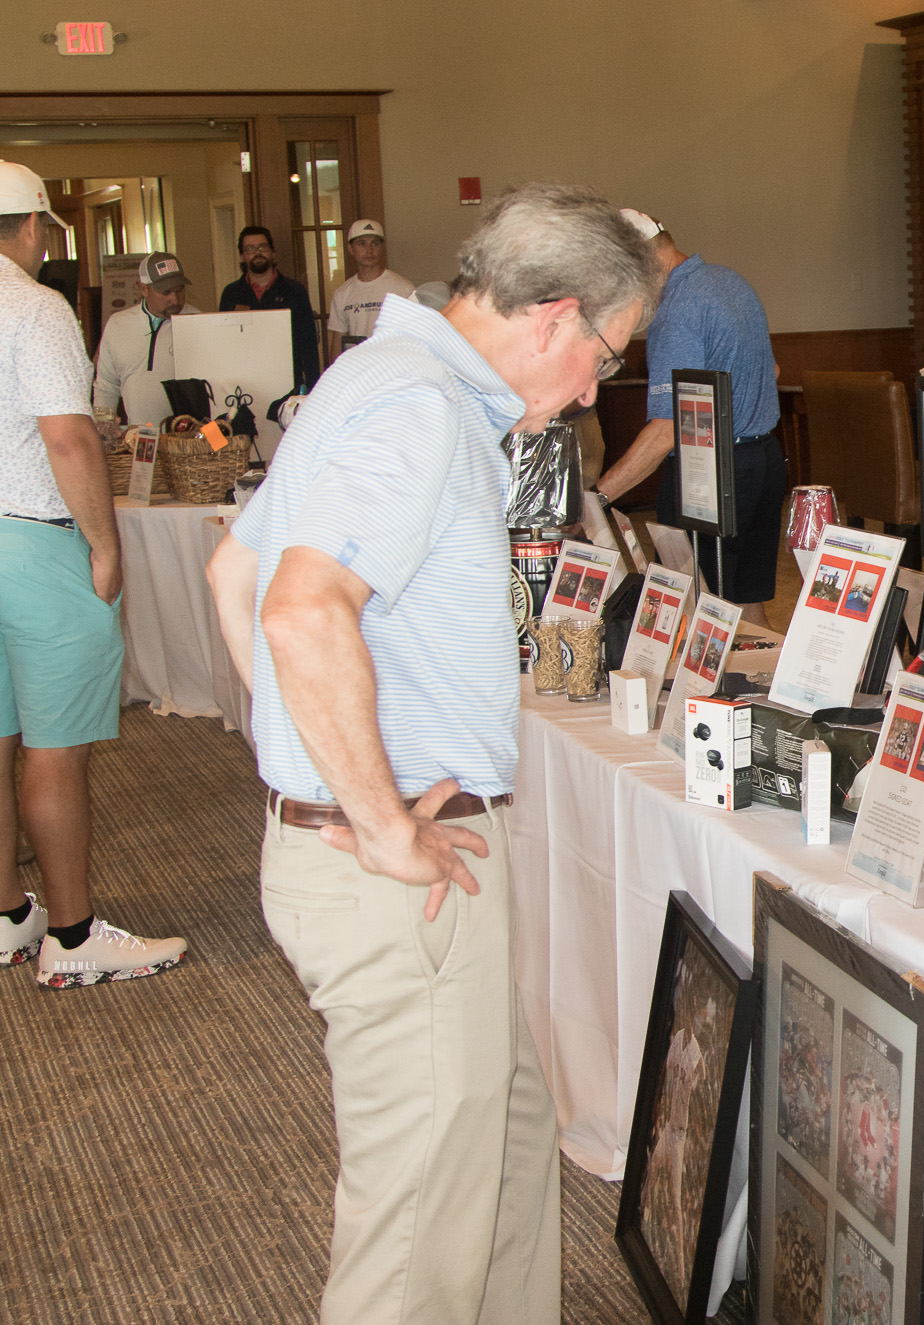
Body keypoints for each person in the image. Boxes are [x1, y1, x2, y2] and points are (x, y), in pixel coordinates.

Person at [206, 181, 658, 1324]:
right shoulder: (417, 407)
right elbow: (299, 611)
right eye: (606, 354)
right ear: (553, 315)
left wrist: (314, 764)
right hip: (395, 866)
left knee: (499, 1150)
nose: (595, 386)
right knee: (419, 1231)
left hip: (395, 844)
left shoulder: (383, 375)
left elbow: (232, 571)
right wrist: (368, 811)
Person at [0, 159, 187, 988]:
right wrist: (105, 545)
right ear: (33, 227)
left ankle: (9, 915)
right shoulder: (32, 307)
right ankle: (72, 938)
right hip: (33, 542)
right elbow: (68, 438)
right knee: (56, 747)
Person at [593, 208, 784, 626]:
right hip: (764, 461)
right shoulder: (729, 281)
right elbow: (772, 372)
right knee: (749, 609)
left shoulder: (677, 311)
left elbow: (666, 430)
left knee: (698, 618)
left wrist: (598, 497)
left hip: (712, 474)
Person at [92, 251, 202, 426]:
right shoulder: (118, 325)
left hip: (189, 443)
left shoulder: (199, 322)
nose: (174, 299)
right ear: (143, 288)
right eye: (165, 292)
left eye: (179, 289)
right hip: (139, 441)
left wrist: (215, 442)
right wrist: (104, 434)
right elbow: (106, 386)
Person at [220, 224, 320, 391]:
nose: (257, 253)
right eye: (250, 249)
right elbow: (224, 344)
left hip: (287, 381)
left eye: (262, 247)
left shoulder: (294, 291)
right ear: (242, 256)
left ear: (273, 252)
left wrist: (313, 389)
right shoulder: (231, 294)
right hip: (244, 384)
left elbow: (308, 345)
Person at [326, 219, 414, 362]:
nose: (369, 250)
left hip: (393, 371)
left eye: (375, 243)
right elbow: (338, 340)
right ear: (351, 248)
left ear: (381, 247)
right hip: (357, 371)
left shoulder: (403, 288)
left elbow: (414, 338)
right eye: (362, 244)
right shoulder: (342, 293)